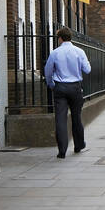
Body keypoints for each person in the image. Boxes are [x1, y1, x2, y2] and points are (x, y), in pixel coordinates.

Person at [44, 27, 91, 158]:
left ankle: (62, 151)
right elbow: (87, 70)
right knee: (76, 117)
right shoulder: (79, 51)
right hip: (75, 87)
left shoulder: (55, 53)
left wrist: (52, 84)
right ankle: (79, 145)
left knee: (60, 119)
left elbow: (48, 71)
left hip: (60, 87)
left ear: (60, 38)